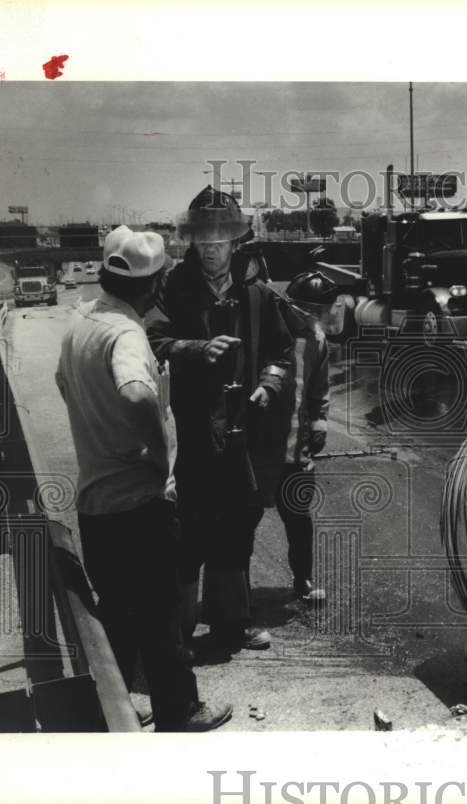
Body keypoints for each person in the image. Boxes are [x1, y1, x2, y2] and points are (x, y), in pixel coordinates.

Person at [54, 225, 231, 731]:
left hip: (96, 500)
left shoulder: (82, 320)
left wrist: (98, 429)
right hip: (138, 500)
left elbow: (62, 382)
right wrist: (157, 453)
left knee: (119, 608)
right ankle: (181, 710)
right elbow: (135, 392)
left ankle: (122, 703)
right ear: (153, 286)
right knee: (159, 609)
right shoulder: (127, 332)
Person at [145, 187, 295, 654]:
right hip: (187, 434)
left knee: (236, 527)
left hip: (239, 435)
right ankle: (181, 632)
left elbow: (284, 352)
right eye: (203, 240)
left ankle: (232, 624)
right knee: (187, 530)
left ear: (235, 242)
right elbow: (150, 341)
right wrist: (194, 349)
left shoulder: (258, 293)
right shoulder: (171, 288)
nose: (211, 248)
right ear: (191, 242)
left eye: (220, 239)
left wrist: (268, 384)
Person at [274, 271, 342, 603]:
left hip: (296, 450)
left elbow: (319, 388)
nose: (323, 318)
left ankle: (302, 579)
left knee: (299, 519)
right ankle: (235, 594)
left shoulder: (317, 340)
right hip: (262, 446)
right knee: (241, 523)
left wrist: (319, 424)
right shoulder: (272, 332)